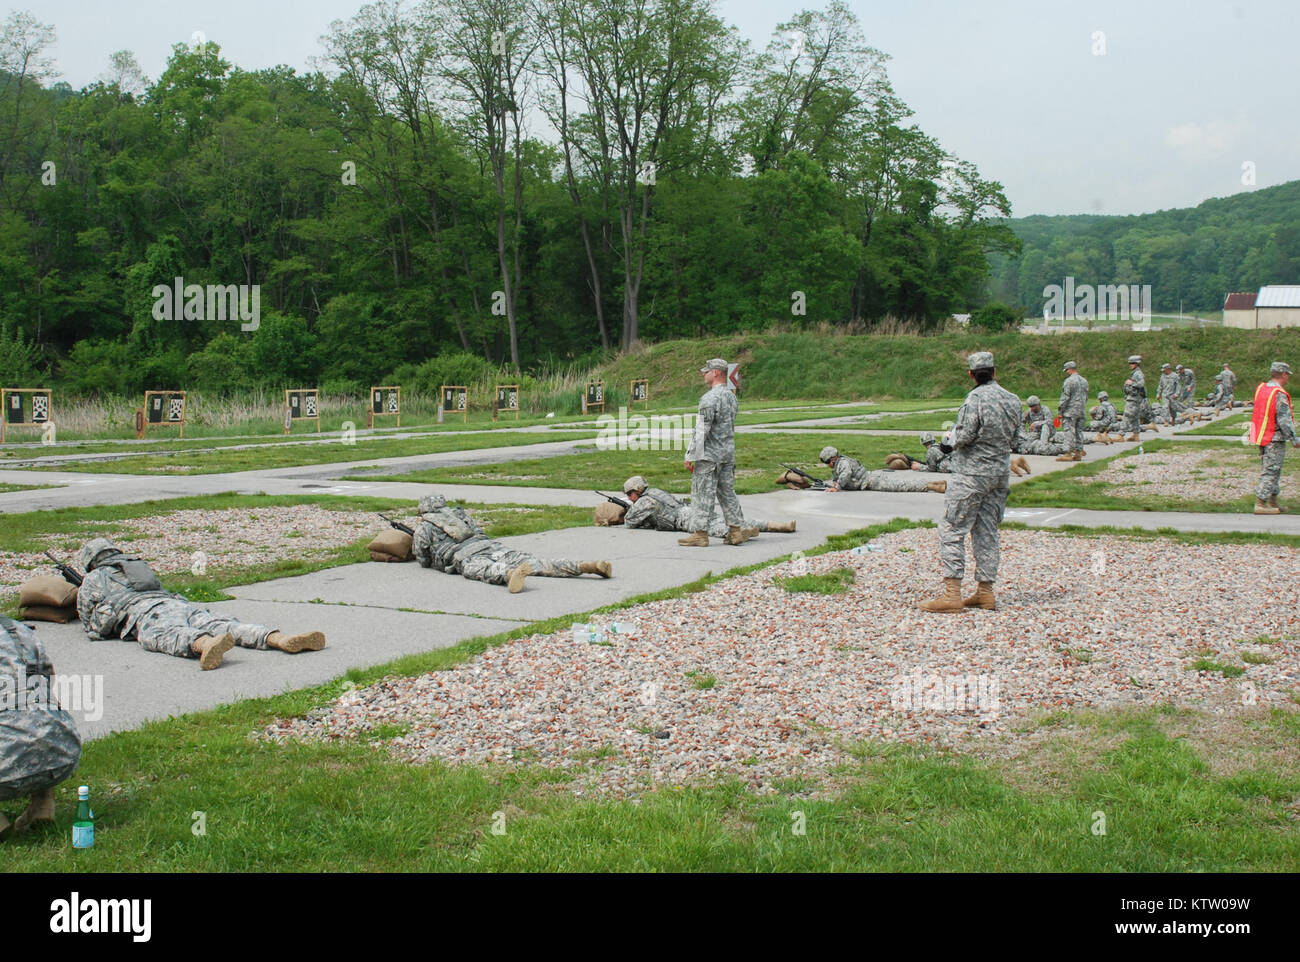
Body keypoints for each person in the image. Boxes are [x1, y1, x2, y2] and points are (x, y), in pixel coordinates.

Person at [76, 539, 325, 670]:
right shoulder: (135, 564)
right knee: (226, 624)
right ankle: (278, 638)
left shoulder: (93, 578)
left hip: (149, 614)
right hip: (179, 604)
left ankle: (204, 644)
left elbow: (92, 622)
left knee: (167, 635)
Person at [918, 351, 1021, 612]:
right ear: (995, 372)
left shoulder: (974, 399)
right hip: (999, 474)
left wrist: (947, 440)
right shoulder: (1013, 400)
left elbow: (963, 435)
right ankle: (985, 592)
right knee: (987, 531)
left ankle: (952, 594)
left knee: (952, 529)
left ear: (971, 374)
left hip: (971, 474)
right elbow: (1016, 437)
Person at [413, 494, 611, 589]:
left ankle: (508, 575)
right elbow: (479, 531)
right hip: (490, 546)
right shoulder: (459, 514)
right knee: (538, 563)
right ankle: (585, 566)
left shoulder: (425, 526)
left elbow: (422, 557)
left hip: (463, 554)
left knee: (482, 570)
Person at [0, 615, 81, 839]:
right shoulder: (16, 630)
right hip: (61, 752)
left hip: (5, 769)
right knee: (33, 711)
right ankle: (43, 804)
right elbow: (45, 680)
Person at [680, 358, 755, 547]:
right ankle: (736, 530)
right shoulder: (731, 397)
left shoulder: (709, 398)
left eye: (707, 371)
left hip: (710, 455)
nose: (704, 374)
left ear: (716, 373)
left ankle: (700, 533)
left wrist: (690, 454)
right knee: (727, 492)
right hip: (727, 453)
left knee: (702, 493)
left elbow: (701, 429)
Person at [621, 476, 795, 535]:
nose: (630, 497)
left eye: (630, 494)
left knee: (716, 530)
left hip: (684, 519)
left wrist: (628, 508)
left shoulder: (644, 500)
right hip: (689, 510)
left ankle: (740, 533)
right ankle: (776, 525)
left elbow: (629, 521)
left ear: (637, 490)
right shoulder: (656, 492)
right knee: (727, 521)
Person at [1249, 362, 1298, 515]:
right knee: (1272, 470)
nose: (1288, 377)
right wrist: (1294, 438)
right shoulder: (1279, 393)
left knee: (1273, 469)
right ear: (1283, 374)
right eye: (1287, 374)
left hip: (1263, 435)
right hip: (1274, 437)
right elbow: (1284, 419)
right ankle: (1261, 503)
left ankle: (1272, 501)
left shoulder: (1262, 389)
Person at [820, 446, 946, 493]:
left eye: (827, 462)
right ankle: (933, 485)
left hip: (871, 481)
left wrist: (837, 487)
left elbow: (846, 473)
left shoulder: (842, 463)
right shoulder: (842, 462)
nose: (828, 465)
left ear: (833, 458)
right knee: (901, 485)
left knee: (901, 486)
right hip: (871, 479)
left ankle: (932, 486)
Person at [1056, 360, 1088, 461]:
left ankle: (1068, 453)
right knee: (1079, 431)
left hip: (1070, 411)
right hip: (1081, 410)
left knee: (1068, 431)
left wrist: (1060, 411)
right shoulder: (1084, 381)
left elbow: (1065, 397)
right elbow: (1085, 397)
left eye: (1066, 370)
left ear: (1069, 370)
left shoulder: (1069, 381)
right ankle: (1078, 452)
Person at [1120, 355, 1149, 440]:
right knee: (1135, 417)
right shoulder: (1135, 373)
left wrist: (1131, 383)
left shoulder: (1138, 373)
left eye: (1132, 363)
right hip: (1134, 397)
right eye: (1130, 363)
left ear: (1137, 364)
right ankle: (1136, 434)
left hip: (1134, 398)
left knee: (1127, 415)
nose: (1130, 365)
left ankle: (1120, 434)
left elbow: (1141, 383)